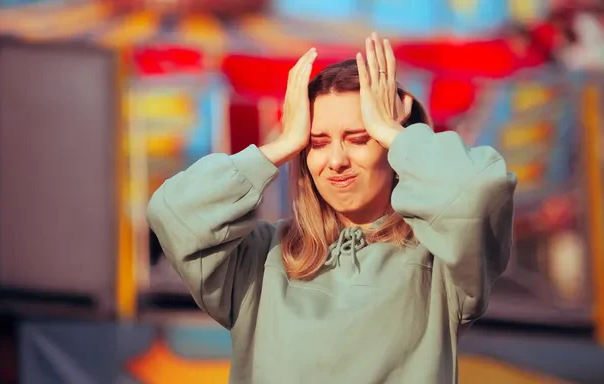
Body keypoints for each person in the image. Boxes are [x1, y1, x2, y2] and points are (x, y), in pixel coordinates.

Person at [147, 33, 517, 384]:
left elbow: (479, 189)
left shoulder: (441, 261)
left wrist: (392, 131)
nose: (336, 160)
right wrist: (279, 145)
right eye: (317, 143)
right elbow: (172, 212)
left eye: (359, 138)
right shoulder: (260, 258)